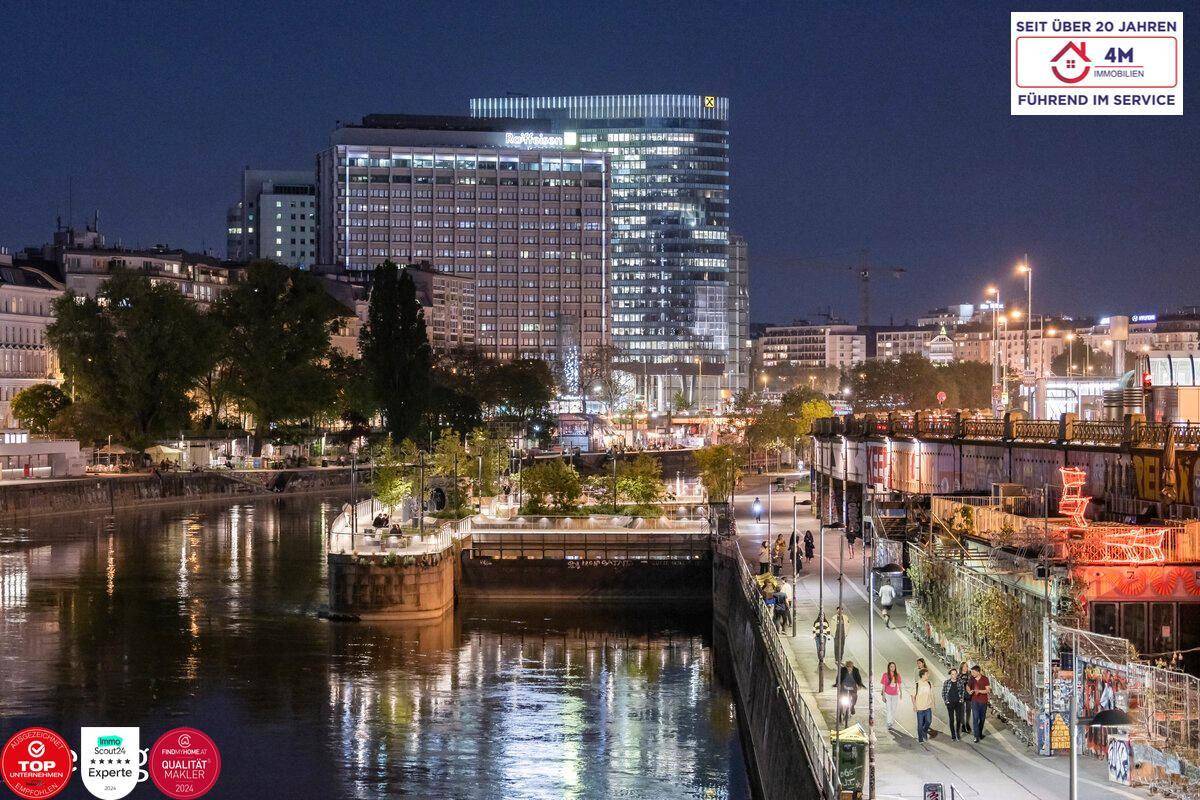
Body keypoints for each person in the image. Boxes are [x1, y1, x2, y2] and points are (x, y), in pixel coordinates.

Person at [968, 664, 991, 742]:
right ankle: (976, 736)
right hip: (974, 701)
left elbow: (988, 690)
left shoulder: (985, 679)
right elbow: (968, 686)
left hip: (983, 702)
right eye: (972, 672)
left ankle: (980, 733)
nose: (972, 674)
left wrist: (979, 691)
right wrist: (969, 690)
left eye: (974, 672)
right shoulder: (971, 678)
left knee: (982, 718)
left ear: (978, 672)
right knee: (975, 718)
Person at [943, 668, 965, 741]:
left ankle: (957, 733)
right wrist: (946, 701)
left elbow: (963, 691)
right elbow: (943, 693)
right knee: (951, 720)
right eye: (952, 674)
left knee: (958, 719)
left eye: (955, 674)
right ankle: (953, 735)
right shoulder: (947, 682)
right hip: (950, 703)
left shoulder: (960, 682)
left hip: (958, 703)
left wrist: (961, 699)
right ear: (950, 675)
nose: (954, 675)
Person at [913, 668, 934, 743]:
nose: (928, 675)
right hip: (920, 708)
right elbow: (913, 696)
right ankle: (920, 738)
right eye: (927, 674)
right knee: (920, 724)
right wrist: (914, 706)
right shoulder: (917, 684)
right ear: (923, 675)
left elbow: (931, 694)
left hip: (928, 707)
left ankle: (924, 731)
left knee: (929, 721)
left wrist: (933, 703)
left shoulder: (929, 683)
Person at [881, 662, 902, 730]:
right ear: (889, 667)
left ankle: (891, 721)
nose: (893, 668)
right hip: (887, 694)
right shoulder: (885, 675)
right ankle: (889, 722)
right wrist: (883, 696)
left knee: (893, 709)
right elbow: (883, 686)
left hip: (895, 694)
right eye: (891, 667)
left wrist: (901, 693)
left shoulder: (897, 675)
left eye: (894, 667)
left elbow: (899, 685)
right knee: (889, 709)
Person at [956, 662, 973, 737]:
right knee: (962, 710)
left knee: (968, 710)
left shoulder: (970, 674)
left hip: (969, 695)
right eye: (964, 666)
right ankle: (963, 725)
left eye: (966, 666)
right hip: (962, 695)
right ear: (961, 667)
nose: (965, 668)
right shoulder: (958, 675)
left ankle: (967, 723)